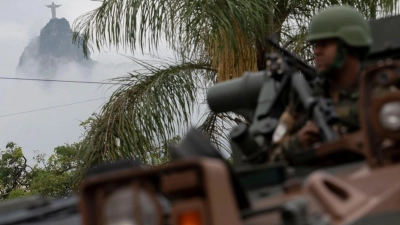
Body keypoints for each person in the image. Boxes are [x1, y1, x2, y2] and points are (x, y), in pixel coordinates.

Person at [269, 5, 372, 164]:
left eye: (324, 44)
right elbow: (272, 158)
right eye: (315, 45)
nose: (316, 52)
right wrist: (299, 141)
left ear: (348, 45)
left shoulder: (378, 89)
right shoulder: (305, 98)